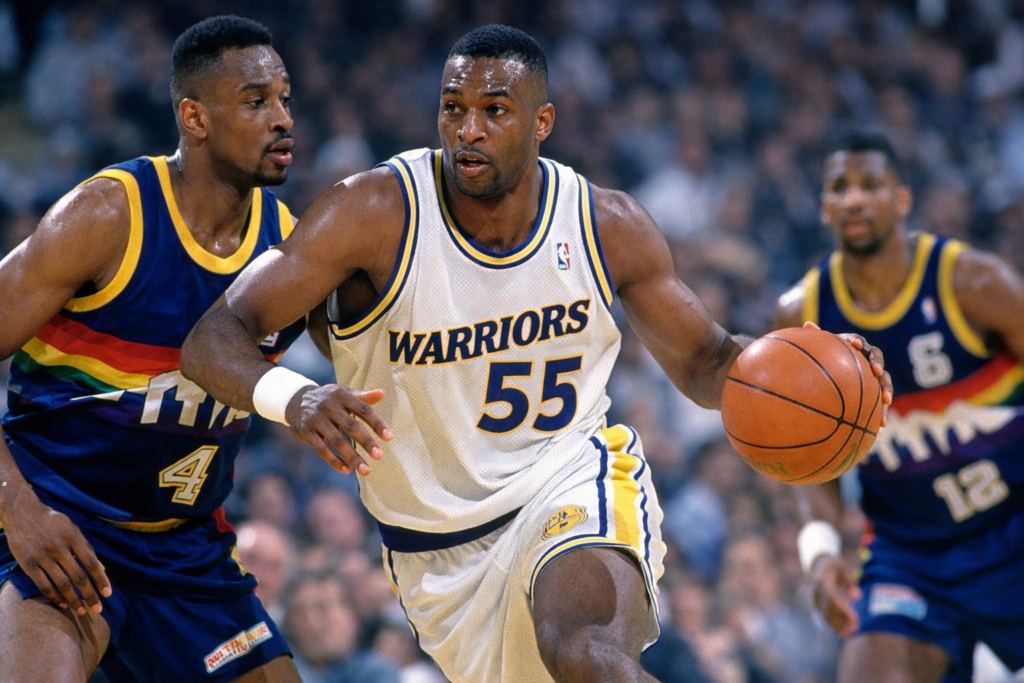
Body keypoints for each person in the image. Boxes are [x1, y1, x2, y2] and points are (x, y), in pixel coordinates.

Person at [182, 25, 890, 683]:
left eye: (495, 110)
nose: (469, 129)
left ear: (542, 122)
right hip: (434, 545)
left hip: (570, 478)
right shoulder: (371, 211)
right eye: (453, 108)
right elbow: (214, 337)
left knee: (582, 647)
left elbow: (708, 362)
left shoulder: (605, 224)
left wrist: (823, 365)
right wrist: (297, 398)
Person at [0, 15, 304, 682]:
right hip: (59, 525)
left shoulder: (289, 246)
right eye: (257, 101)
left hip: (185, 550)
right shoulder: (109, 215)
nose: (282, 118)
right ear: (195, 117)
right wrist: (18, 512)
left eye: (285, 98)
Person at [774, 130, 1024, 683]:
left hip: (1012, 528)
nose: (855, 199)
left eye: (871, 185)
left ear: (902, 199)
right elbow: (804, 462)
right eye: (840, 188)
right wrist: (820, 552)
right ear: (823, 208)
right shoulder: (802, 316)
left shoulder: (973, 282)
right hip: (909, 554)